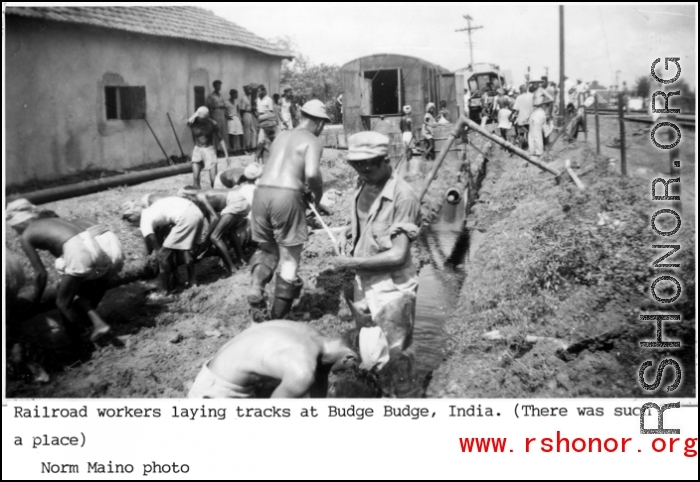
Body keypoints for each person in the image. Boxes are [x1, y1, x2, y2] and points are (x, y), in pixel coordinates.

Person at [330, 132, 421, 396]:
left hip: (391, 287)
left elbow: (398, 255)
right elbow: (367, 221)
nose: (362, 170)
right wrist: (347, 230)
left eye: (368, 164)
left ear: (385, 160)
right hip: (362, 282)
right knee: (370, 352)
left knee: (398, 357)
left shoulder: (403, 196)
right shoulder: (363, 185)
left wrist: (351, 261)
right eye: (356, 164)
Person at [247, 99, 330, 320]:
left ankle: (256, 286)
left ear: (301, 116)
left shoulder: (281, 136)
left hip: (261, 192)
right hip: (286, 196)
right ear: (320, 124)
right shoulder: (312, 141)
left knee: (268, 249)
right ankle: (277, 319)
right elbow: (312, 174)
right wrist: (317, 195)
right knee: (290, 260)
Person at [6, 199, 114, 347]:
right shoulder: (51, 220)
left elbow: (41, 274)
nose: (16, 232)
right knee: (72, 292)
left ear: (19, 223)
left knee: (62, 302)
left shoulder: (26, 237)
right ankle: (98, 322)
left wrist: (36, 299)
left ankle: (84, 335)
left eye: (14, 228)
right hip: (95, 247)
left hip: (78, 252)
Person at [188, 320, 369, 398]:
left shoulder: (312, 335)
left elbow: (320, 379)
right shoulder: (302, 370)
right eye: (356, 367)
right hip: (217, 396)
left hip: (215, 376)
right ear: (349, 358)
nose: (352, 373)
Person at [182, 163, 262, 273]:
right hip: (241, 202)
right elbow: (213, 220)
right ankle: (241, 259)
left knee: (215, 237)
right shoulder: (201, 200)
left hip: (236, 202)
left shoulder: (200, 196)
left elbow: (215, 218)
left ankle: (231, 268)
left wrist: (206, 240)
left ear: (190, 197)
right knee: (230, 232)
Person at [140, 196, 206, 294]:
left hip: (186, 216)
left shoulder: (144, 222)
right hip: (197, 213)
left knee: (162, 254)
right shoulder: (155, 210)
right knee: (185, 249)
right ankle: (192, 282)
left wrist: (150, 266)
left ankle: (164, 291)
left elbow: (159, 252)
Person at [187, 106, 229, 190]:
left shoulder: (213, 124)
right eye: (201, 119)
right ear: (197, 116)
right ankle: (197, 199)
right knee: (196, 178)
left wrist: (226, 155)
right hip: (197, 150)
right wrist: (195, 115)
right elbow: (188, 121)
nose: (203, 121)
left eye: (205, 119)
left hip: (209, 149)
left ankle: (216, 196)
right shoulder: (193, 122)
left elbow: (220, 139)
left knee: (214, 180)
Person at [205, 80, 230, 153]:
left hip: (222, 113)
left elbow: (224, 105)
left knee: (222, 131)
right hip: (215, 112)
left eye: (220, 85)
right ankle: (217, 150)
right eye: (218, 85)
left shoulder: (220, 95)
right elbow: (209, 107)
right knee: (217, 131)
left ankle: (223, 150)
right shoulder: (211, 96)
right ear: (214, 86)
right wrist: (211, 118)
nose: (219, 87)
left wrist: (225, 114)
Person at [510, 84, 534, 149]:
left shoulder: (518, 97)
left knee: (521, 133)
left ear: (521, 90)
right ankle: (530, 148)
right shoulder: (532, 96)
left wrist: (510, 115)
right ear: (526, 89)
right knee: (530, 133)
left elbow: (515, 108)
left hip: (522, 118)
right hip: (531, 118)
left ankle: (520, 148)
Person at [225, 89, 244, 155]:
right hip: (231, 119)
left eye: (237, 94)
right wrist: (227, 116)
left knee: (240, 134)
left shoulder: (237, 102)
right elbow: (224, 111)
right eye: (235, 94)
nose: (236, 95)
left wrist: (241, 120)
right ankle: (232, 150)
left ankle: (241, 149)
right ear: (231, 94)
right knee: (231, 135)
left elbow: (238, 111)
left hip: (236, 118)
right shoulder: (226, 102)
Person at [240, 85, 256, 153]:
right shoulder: (244, 99)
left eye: (251, 90)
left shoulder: (247, 98)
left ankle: (253, 146)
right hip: (245, 114)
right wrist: (242, 119)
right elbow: (242, 110)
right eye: (249, 90)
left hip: (249, 114)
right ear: (246, 90)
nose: (251, 91)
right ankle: (247, 147)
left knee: (253, 131)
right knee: (247, 132)